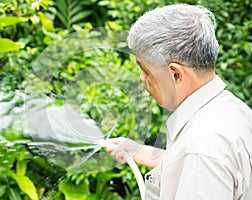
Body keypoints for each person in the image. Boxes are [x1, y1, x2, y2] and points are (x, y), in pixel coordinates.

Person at [105, 4, 252, 200]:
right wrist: (139, 151)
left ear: (175, 74)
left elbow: (198, 159)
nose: (141, 78)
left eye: (146, 70)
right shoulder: (234, 111)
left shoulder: (200, 149)